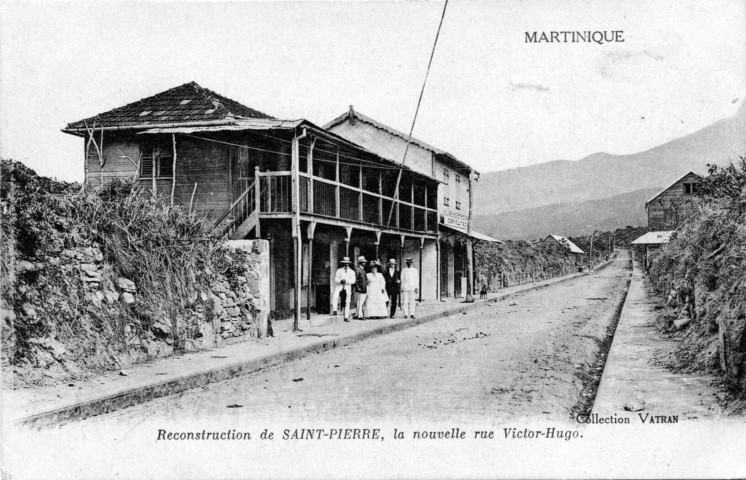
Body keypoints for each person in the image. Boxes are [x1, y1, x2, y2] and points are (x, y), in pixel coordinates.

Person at [331, 257, 356, 322]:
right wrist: (340, 281)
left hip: (347, 287)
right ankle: (335, 310)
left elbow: (353, 280)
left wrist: (346, 281)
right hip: (340, 286)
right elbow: (336, 279)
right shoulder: (339, 270)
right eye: (344, 263)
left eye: (347, 263)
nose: (346, 265)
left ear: (349, 264)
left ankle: (346, 316)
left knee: (347, 302)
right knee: (335, 296)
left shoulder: (352, 272)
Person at [353, 256, 368, 320]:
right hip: (361, 288)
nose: (364, 263)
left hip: (363, 288)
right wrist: (358, 287)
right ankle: (360, 315)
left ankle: (357, 314)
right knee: (360, 302)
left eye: (364, 262)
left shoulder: (362, 269)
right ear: (360, 263)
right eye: (363, 262)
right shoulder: (358, 269)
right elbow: (355, 279)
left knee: (360, 302)